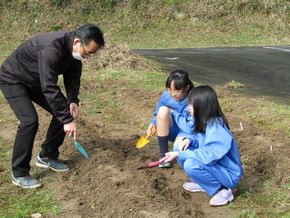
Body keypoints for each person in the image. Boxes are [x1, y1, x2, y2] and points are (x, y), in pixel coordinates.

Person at [0, 23, 105, 188]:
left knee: (63, 110)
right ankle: (19, 173)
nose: (87, 57)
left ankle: (47, 156)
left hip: (37, 80)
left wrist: (72, 100)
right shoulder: (51, 49)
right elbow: (48, 87)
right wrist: (66, 119)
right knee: (29, 121)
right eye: (87, 53)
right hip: (14, 79)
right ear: (77, 42)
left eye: (90, 54)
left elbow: (73, 76)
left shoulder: (74, 52)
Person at [163, 85, 243, 206]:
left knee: (191, 164)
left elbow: (208, 155)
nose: (188, 108)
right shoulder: (206, 121)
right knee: (179, 145)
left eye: (190, 105)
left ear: (201, 107)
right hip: (215, 166)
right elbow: (202, 142)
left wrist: (179, 154)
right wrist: (190, 141)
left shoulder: (216, 127)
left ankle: (222, 190)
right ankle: (203, 182)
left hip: (229, 174)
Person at [147, 70, 194, 168]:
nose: (172, 94)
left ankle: (192, 153)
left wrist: (173, 111)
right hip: (172, 130)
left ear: (186, 88)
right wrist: (153, 123)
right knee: (163, 110)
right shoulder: (166, 96)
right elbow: (157, 113)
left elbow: (193, 126)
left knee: (179, 148)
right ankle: (163, 155)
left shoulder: (194, 98)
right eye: (169, 89)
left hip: (188, 133)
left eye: (176, 90)